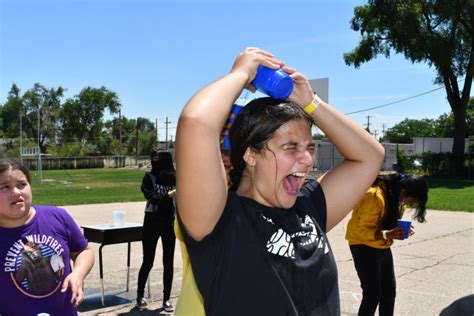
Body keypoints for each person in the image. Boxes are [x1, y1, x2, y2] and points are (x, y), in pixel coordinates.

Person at [175, 47, 385, 315]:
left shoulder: (308, 207)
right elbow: (196, 123)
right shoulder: (221, 221)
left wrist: (310, 102)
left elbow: (370, 156)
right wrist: (241, 72)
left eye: (309, 147)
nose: (308, 160)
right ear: (251, 154)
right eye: (291, 147)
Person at [0, 160, 94, 315]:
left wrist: (78, 274)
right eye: (5, 187)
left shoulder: (56, 217)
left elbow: (83, 251)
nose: (16, 192)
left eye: (22, 184)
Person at [345, 173, 428, 316]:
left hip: (381, 245)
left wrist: (397, 229)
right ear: (403, 190)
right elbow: (362, 229)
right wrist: (388, 234)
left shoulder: (395, 197)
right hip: (362, 244)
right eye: (411, 200)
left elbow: (383, 220)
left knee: (389, 292)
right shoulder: (374, 196)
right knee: (372, 294)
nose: (409, 204)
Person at [136, 150, 176, 312]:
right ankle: (140, 296)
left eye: (158, 161)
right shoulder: (149, 178)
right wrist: (169, 194)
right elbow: (152, 197)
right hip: (152, 222)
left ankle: (166, 299)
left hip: (169, 223)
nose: (155, 164)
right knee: (148, 260)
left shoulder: (175, 178)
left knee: (168, 262)